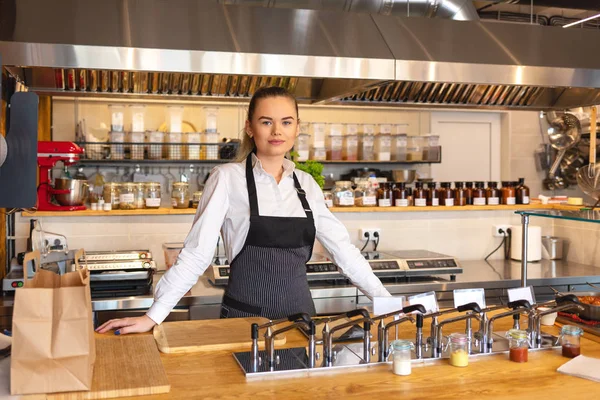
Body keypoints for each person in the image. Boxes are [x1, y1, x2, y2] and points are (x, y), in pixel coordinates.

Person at [96, 86, 391, 335]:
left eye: (286, 122)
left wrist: (386, 302)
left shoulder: (307, 185)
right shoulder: (227, 178)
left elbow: (344, 252)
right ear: (250, 127)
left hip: (302, 324)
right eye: (266, 122)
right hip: (244, 323)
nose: (277, 131)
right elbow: (197, 253)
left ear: (297, 128)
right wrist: (154, 315)